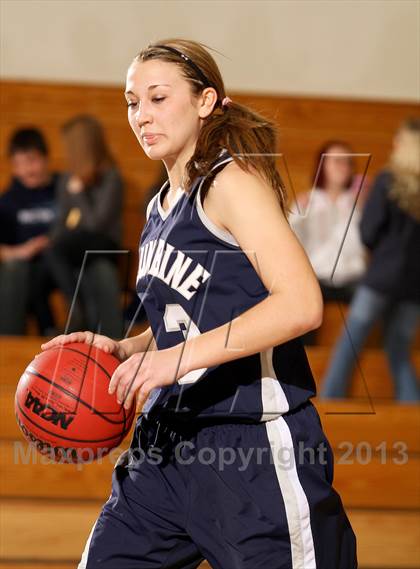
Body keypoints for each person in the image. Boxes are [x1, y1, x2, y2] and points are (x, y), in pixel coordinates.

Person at [41, 39, 357, 568]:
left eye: (158, 98)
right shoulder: (160, 206)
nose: (141, 115)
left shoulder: (233, 183)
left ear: (206, 101)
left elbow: (302, 303)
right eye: (132, 101)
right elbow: (183, 318)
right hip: (164, 447)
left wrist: (176, 359)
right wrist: (126, 348)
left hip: (250, 449)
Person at [320, 118, 420, 402]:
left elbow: (368, 232)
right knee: (399, 349)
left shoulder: (388, 180)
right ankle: (413, 412)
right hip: (415, 285)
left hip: (381, 279)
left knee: (349, 342)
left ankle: (329, 400)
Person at [45, 115, 124, 337]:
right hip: (75, 242)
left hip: (105, 244)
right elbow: (61, 221)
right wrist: (52, 239)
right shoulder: (67, 179)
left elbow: (96, 224)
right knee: (48, 255)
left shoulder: (111, 178)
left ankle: (76, 307)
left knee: (57, 250)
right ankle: (52, 325)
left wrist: (79, 194)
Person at [288, 141, 368, 345]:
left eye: (348, 162)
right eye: (337, 161)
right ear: (322, 166)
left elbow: (365, 244)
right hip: (317, 279)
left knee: (373, 300)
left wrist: (364, 210)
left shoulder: (358, 203)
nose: (344, 166)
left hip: (352, 280)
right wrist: (299, 216)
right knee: (302, 306)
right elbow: (290, 242)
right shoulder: (308, 201)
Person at [0, 127, 59, 335]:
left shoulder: (63, 190)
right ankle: (10, 341)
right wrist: (24, 250)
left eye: (31, 160)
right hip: (26, 268)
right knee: (16, 270)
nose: (27, 170)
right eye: (19, 164)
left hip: (62, 265)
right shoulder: (8, 201)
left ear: (45, 158)